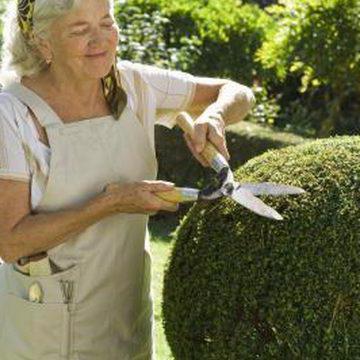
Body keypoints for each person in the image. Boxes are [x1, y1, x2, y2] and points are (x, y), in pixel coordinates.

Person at [0, 0, 255, 359]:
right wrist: (111, 203)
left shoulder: (134, 84)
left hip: (127, 319)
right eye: (79, 30)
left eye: (106, 23)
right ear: (42, 42)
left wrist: (214, 115)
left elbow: (238, 92)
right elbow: (11, 242)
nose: (100, 40)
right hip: (46, 334)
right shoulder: (10, 114)